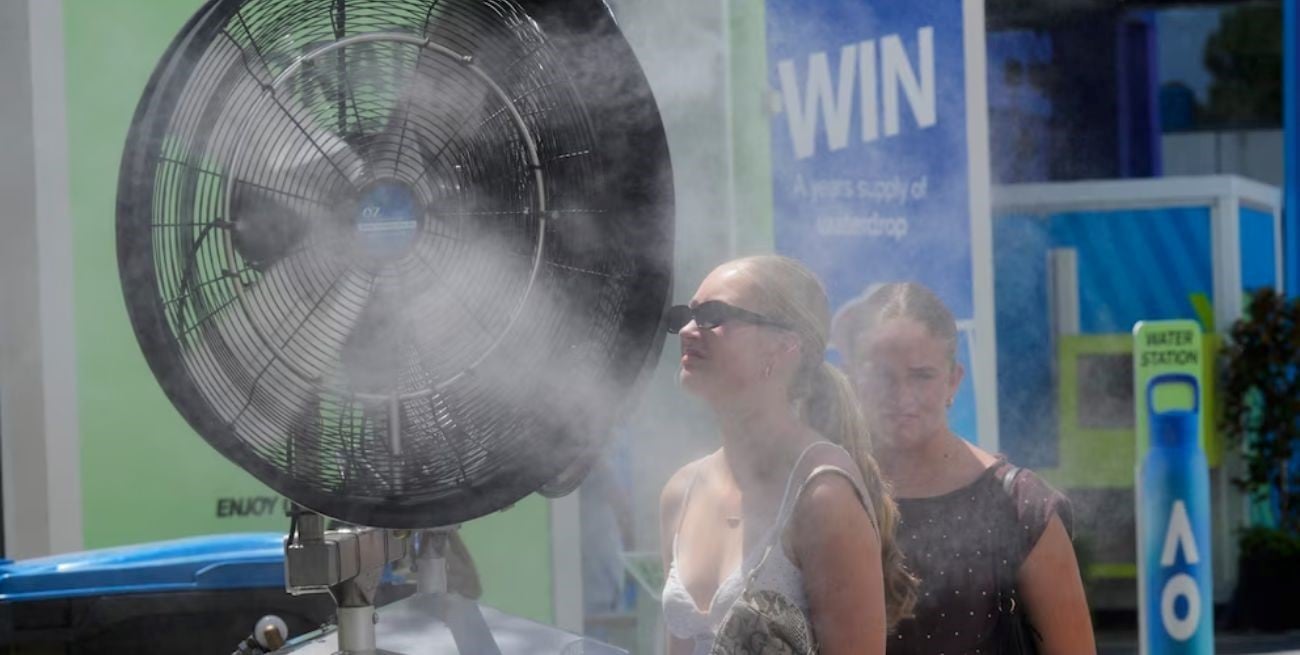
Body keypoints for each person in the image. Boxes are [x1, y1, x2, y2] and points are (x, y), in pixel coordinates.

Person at [659, 255, 916, 655]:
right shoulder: (681, 491)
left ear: (783, 346)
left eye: (713, 316)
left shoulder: (822, 495)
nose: (689, 331)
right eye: (686, 316)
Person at [831, 282, 1094, 654]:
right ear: (852, 379)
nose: (902, 395)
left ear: (953, 380)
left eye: (922, 375)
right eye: (882, 375)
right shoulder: (826, 492)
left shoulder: (1019, 508)